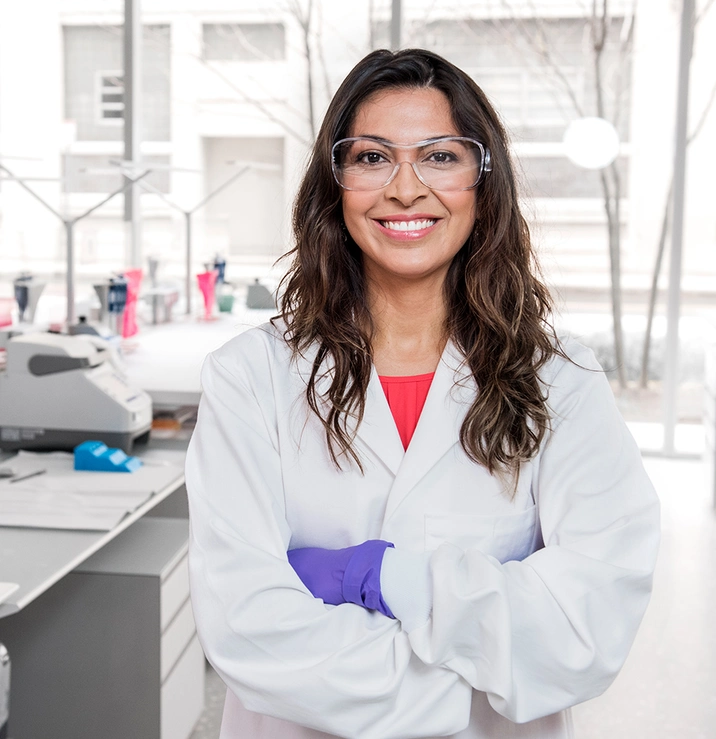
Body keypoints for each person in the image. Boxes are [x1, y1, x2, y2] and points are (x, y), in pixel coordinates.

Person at [186, 48, 660, 739]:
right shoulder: (250, 377)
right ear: (335, 182)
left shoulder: (561, 379)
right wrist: (477, 689)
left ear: (481, 179)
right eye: (372, 158)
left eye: (440, 156)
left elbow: (585, 624)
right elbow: (247, 630)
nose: (405, 189)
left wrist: (384, 577)